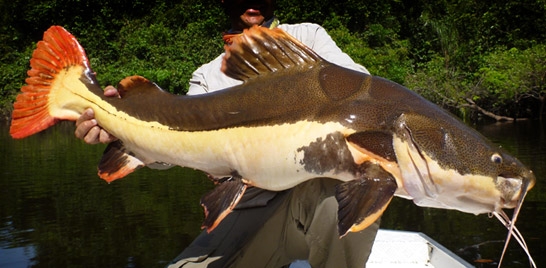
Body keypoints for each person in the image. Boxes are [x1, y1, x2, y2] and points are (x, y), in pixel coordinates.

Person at [75, 0, 380, 267]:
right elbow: (172, 152)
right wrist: (121, 131)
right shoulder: (206, 77)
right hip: (244, 208)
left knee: (358, 189)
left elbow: (367, 96)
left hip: (313, 202)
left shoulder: (308, 37)